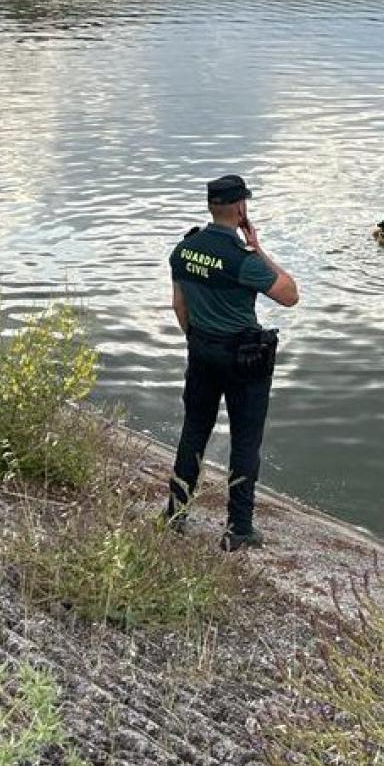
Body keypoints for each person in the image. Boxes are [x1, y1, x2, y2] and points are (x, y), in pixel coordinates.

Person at [164, 174, 299, 551]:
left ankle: (175, 513)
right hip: (243, 359)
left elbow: (180, 306)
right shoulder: (243, 260)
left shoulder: (183, 249)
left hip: (202, 350)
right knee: (245, 441)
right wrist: (259, 249)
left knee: (194, 430)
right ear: (241, 208)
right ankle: (239, 529)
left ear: (211, 207)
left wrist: (197, 339)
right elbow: (290, 295)